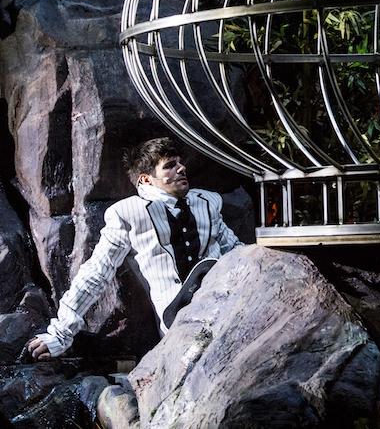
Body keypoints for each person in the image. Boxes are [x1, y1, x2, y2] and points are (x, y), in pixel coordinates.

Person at [26, 137, 242, 360]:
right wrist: (60, 334)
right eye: (170, 165)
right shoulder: (128, 213)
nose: (181, 168)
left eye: (180, 163)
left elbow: (237, 251)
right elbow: (96, 273)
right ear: (146, 179)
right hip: (179, 316)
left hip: (226, 301)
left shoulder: (207, 202)